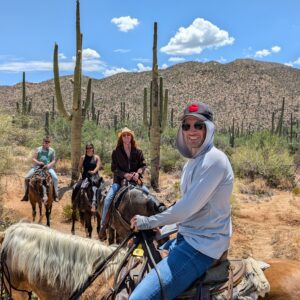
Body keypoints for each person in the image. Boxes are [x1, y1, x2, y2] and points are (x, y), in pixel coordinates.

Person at [129, 102, 234, 300]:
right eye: (186, 126)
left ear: (208, 129)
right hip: (186, 237)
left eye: (198, 125)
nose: (191, 131)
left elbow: (186, 209)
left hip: (202, 246)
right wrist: (165, 230)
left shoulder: (215, 160)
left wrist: (148, 222)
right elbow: (188, 208)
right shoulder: (192, 163)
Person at [99, 127, 149, 241]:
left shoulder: (138, 151)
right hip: (119, 181)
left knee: (148, 195)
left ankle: (152, 226)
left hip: (135, 181)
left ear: (131, 137)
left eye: (128, 135)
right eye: (124, 135)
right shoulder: (116, 152)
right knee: (108, 199)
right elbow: (114, 168)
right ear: (121, 138)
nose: (126, 137)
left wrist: (138, 173)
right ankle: (103, 225)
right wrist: (124, 174)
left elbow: (143, 165)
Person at [21, 136, 59, 202]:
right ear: (43, 142)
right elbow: (33, 158)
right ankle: (26, 195)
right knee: (26, 178)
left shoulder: (52, 150)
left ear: (50, 143)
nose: (47, 143)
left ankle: (55, 195)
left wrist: (48, 165)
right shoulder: (38, 149)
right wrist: (39, 162)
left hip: (48, 168)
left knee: (55, 178)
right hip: (37, 167)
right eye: (46, 142)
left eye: (48, 142)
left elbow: (53, 160)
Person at [71, 143, 102, 212]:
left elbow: (98, 166)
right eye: (87, 148)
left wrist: (94, 171)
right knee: (76, 187)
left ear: (93, 148)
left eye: (90, 148)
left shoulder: (96, 157)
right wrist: (80, 174)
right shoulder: (83, 157)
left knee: (104, 188)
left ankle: (101, 205)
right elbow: (80, 167)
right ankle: (74, 204)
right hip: (85, 176)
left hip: (95, 177)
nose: (89, 149)